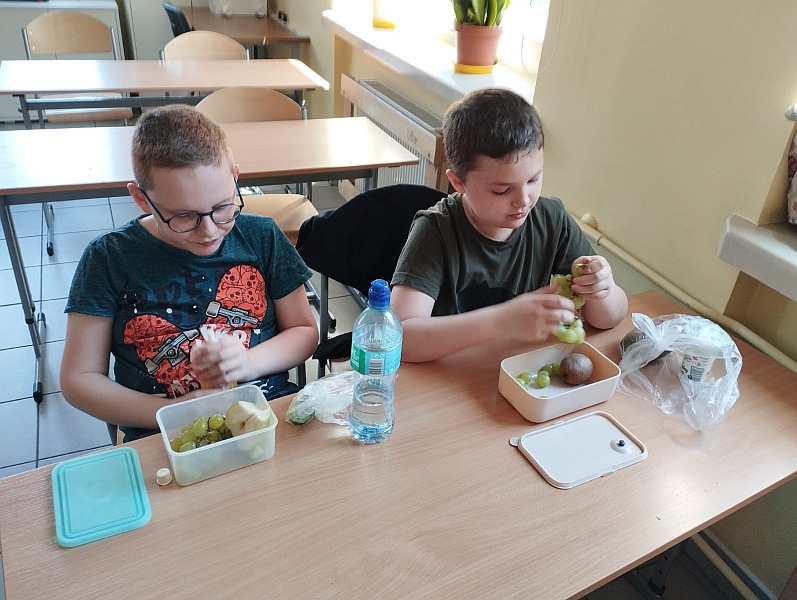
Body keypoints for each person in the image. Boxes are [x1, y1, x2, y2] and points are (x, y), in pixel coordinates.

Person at [61, 105, 318, 442]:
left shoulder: (262, 237)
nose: (209, 231)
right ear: (141, 199)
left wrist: (248, 362)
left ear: (235, 179)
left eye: (223, 207)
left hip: (267, 412)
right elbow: (79, 380)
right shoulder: (108, 258)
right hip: (163, 430)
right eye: (184, 216)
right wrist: (173, 410)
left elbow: (303, 331)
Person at [390, 88, 628, 362]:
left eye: (533, 179)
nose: (524, 201)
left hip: (521, 370)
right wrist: (501, 321)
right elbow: (398, 339)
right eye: (502, 190)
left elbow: (609, 318)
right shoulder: (435, 231)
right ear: (458, 182)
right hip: (456, 374)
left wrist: (603, 289)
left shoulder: (551, 219)